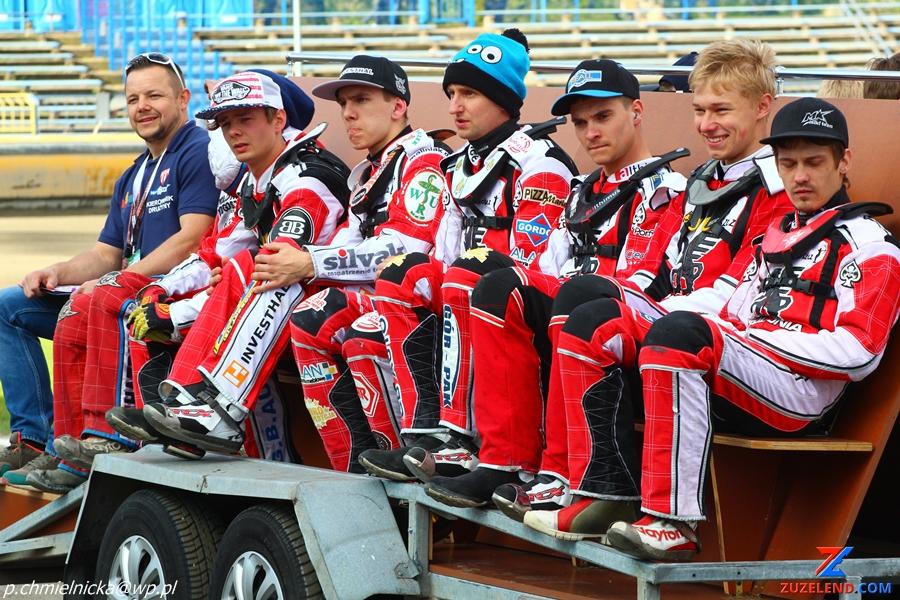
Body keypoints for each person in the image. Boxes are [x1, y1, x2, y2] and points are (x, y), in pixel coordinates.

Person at [515, 38, 796, 538]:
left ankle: (590, 485)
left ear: (762, 107)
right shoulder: (702, 178)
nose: (706, 124)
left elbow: (737, 292)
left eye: (721, 110)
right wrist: (639, 303)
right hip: (674, 322)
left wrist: (651, 310)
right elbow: (651, 267)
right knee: (572, 303)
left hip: (721, 342)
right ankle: (588, 485)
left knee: (586, 302)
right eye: (699, 110)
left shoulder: (778, 189)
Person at [602, 98, 899, 561]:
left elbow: (859, 352)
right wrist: (724, 335)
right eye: (788, 164)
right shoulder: (774, 235)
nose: (800, 176)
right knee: (607, 326)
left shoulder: (871, 244)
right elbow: (733, 313)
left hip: (802, 394)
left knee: (681, 336)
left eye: (814, 163)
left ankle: (672, 522)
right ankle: (593, 492)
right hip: (748, 371)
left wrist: (753, 341)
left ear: (844, 162)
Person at [418, 59, 687, 508]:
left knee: (576, 297)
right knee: (494, 285)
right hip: (576, 316)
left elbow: (639, 281)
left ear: (637, 112)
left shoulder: (666, 188)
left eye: (603, 117)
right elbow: (545, 265)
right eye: (580, 123)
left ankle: (562, 473)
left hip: (628, 326)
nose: (590, 133)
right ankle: (501, 459)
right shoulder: (581, 190)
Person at [356, 29, 578, 482]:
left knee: (466, 275)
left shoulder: (540, 160)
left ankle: (463, 439)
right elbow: (441, 252)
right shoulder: (459, 163)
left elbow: (533, 264)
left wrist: (464, 278)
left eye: (470, 94)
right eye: (452, 93)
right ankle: (424, 433)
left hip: (523, 305)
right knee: (401, 275)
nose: (455, 106)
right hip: (468, 300)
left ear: (503, 100)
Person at [0, 53, 219, 488]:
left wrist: (114, 280)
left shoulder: (197, 151)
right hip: (119, 289)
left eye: (154, 95)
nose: (143, 107)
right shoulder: (135, 173)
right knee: (10, 305)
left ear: (183, 98)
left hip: (165, 295)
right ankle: (35, 440)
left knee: (95, 300)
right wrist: (57, 271)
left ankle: (98, 439)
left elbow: (193, 238)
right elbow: (106, 253)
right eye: (133, 99)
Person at [108, 70, 351, 457]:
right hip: (276, 307)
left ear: (278, 119)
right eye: (224, 124)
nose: (233, 132)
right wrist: (162, 290)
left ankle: (207, 410)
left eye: (245, 119)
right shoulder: (255, 181)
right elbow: (214, 254)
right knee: (146, 307)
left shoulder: (306, 178)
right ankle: (171, 419)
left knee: (250, 267)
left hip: (326, 300)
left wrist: (180, 314)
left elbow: (275, 268)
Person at [286, 56, 450, 472]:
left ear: (398, 106)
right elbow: (347, 241)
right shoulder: (370, 172)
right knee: (307, 313)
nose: (348, 113)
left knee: (331, 318)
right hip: (377, 297)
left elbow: (406, 248)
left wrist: (310, 262)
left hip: (421, 302)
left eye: (360, 100)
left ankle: (402, 456)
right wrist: (296, 264)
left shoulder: (424, 159)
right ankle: (354, 464)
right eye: (343, 103)